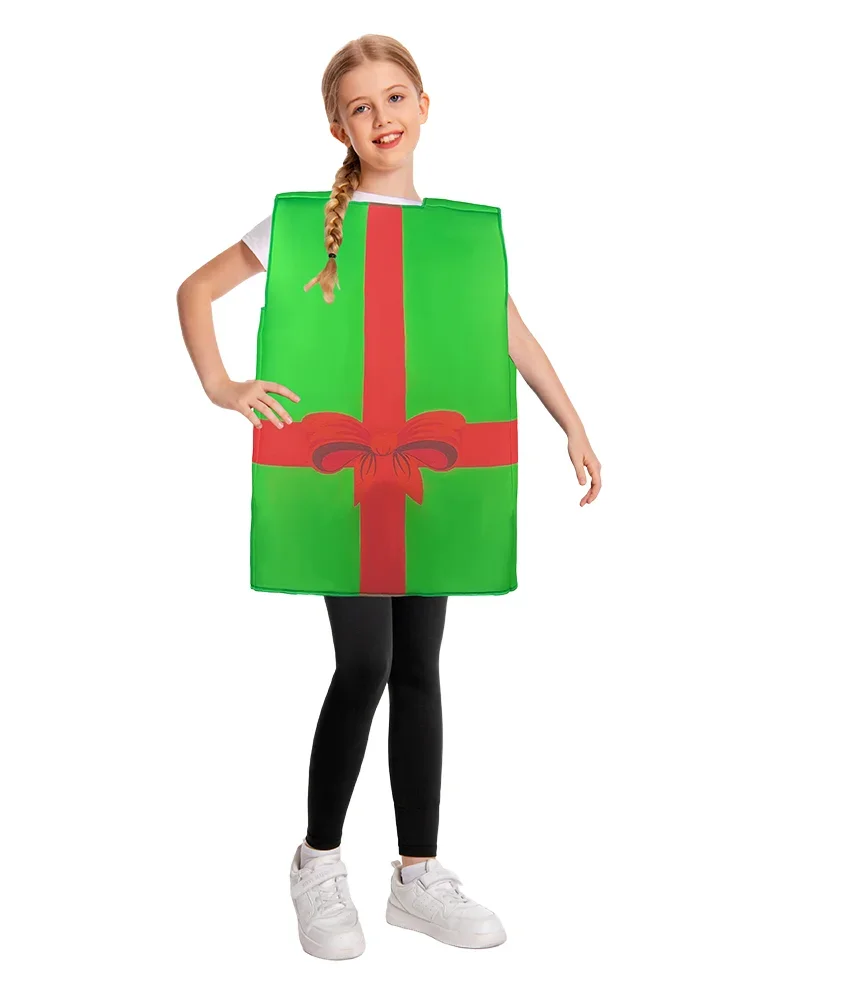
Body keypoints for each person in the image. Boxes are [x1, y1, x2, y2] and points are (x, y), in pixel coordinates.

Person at [176, 33, 602, 961]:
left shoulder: (457, 236)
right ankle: (317, 861)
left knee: (418, 666)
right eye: (360, 106)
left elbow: (510, 331)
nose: (382, 117)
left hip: (425, 478)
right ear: (339, 126)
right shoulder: (300, 224)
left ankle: (417, 874)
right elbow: (196, 290)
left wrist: (571, 421)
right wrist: (222, 385)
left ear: (425, 105)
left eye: (396, 97)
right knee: (364, 660)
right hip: (340, 480)